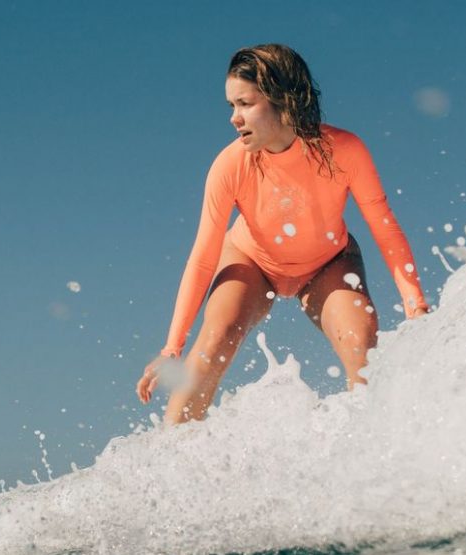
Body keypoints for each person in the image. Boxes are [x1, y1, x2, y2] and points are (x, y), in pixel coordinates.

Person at [136, 44, 429, 424]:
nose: (234, 118)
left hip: (328, 262)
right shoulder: (230, 166)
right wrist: (172, 348)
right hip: (252, 261)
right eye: (231, 106)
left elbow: (383, 227)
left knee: (363, 347)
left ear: (283, 99)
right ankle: (168, 461)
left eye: (245, 104)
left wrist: (415, 304)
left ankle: (373, 457)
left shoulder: (345, 150)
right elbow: (203, 256)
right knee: (216, 337)